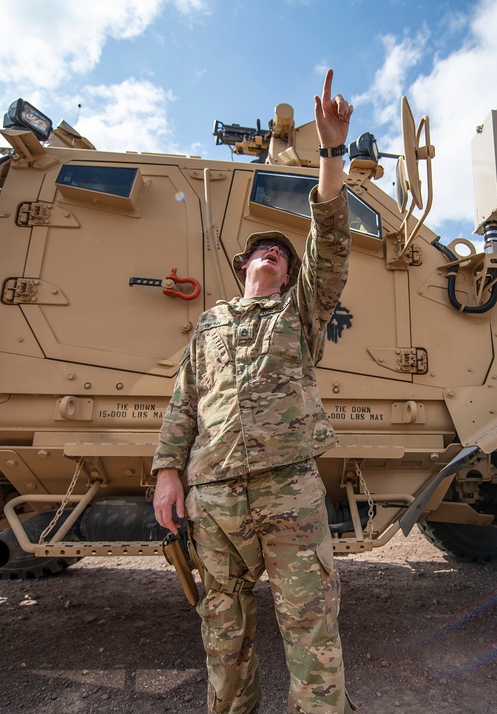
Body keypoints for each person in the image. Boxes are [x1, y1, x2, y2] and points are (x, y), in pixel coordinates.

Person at [152, 69, 354, 714]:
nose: (268, 254)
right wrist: (166, 472)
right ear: (243, 266)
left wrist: (329, 153)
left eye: (279, 253)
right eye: (258, 250)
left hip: (286, 487)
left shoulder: (301, 313)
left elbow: (331, 247)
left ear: (290, 273)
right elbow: (184, 401)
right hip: (213, 497)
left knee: (310, 627)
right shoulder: (210, 323)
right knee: (224, 631)